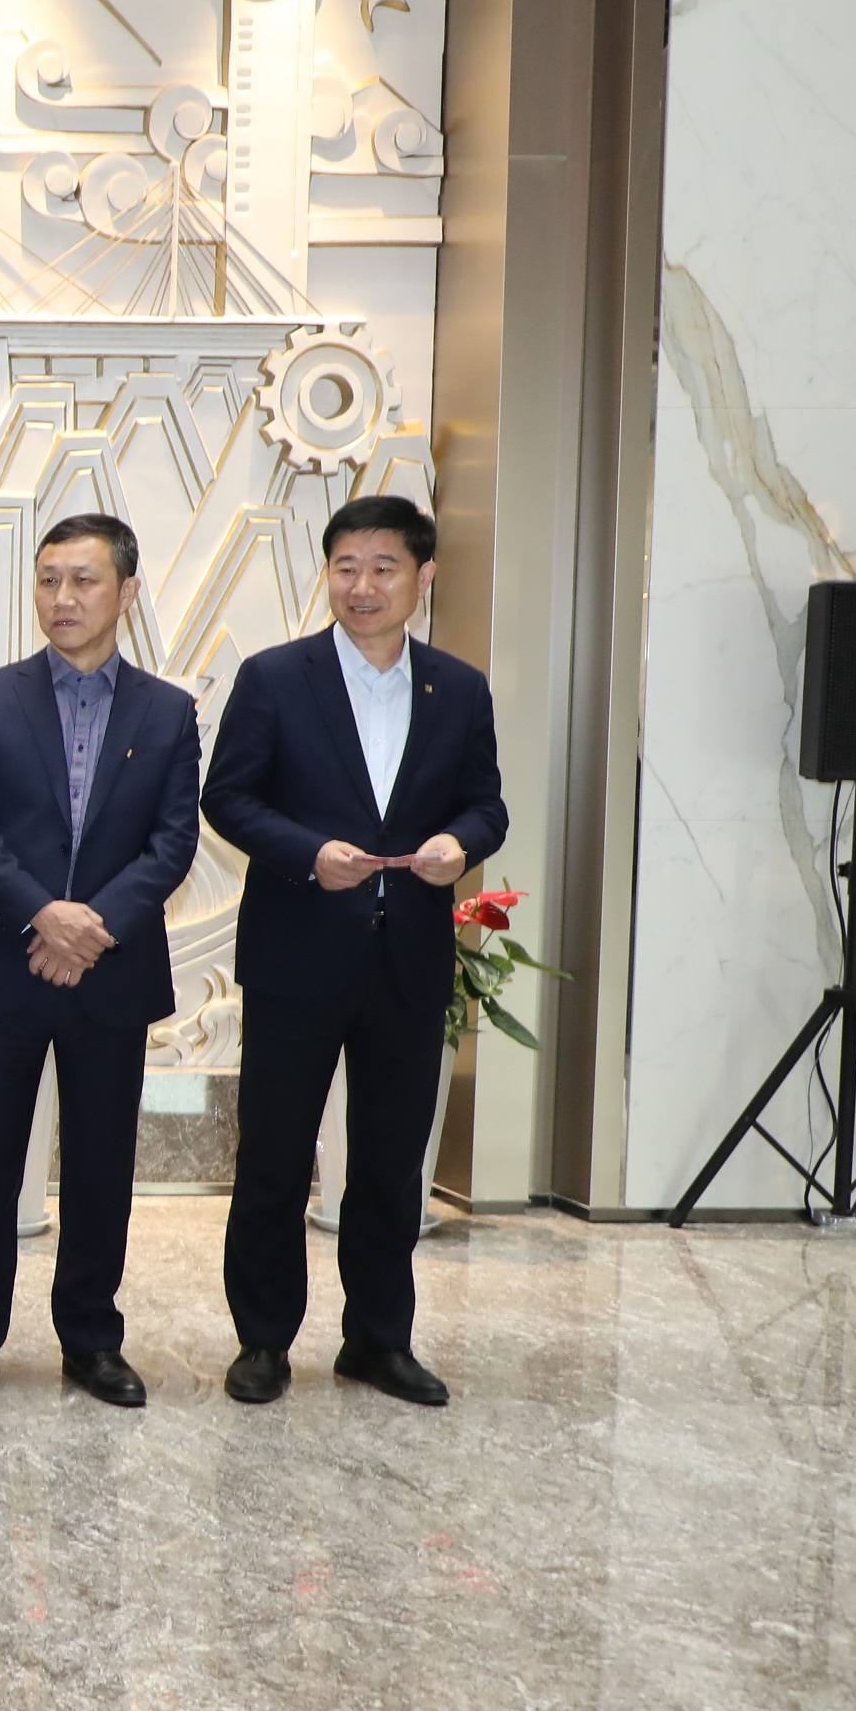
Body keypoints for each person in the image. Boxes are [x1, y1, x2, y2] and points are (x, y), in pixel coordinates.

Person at [205, 494, 506, 1407]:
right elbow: (229, 796)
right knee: (273, 1158)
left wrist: (459, 844)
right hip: (298, 952)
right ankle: (264, 1341)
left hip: (407, 958)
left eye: (383, 568)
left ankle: (378, 1340)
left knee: (389, 1164)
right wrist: (308, 854)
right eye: (346, 567)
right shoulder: (274, 678)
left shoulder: (458, 688)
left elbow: (486, 804)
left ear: (424, 577)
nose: (362, 586)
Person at [0, 514, 204, 1408]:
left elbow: (172, 842)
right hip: (2, 963)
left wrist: (94, 928)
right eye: (48, 580)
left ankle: (91, 1340)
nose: (63, 598)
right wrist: (46, 917)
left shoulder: (168, 711)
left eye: (83, 580)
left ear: (127, 591)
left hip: (109, 974)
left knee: (99, 1166)